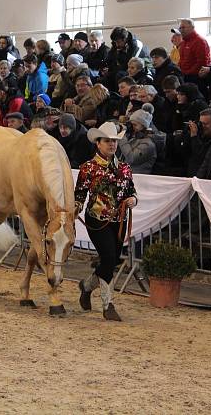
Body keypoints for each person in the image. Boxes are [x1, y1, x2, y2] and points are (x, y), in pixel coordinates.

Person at [75, 121, 137, 322]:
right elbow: (80, 194)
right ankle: (107, 304)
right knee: (109, 258)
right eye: (108, 141)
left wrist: (133, 200)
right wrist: (75, 209)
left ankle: (86, 286)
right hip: (97, 220)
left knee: (110, 261)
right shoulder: (88, 168)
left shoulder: (125, 168)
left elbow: (131, 191)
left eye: (115, 141)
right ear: (98, 143)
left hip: (119, 220)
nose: (112, 145)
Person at [118, 104, 157, 174]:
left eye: (135, 125)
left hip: (139, 179)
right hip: (127, 175)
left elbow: (131, 159)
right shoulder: (133, 137)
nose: (132, 127)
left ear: (144, 126)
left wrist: (121, 137)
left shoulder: (148, 144)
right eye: (131, 124)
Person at [186, 108, 211, 176]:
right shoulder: (200, 130)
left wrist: (194, 136)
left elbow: (200, 155)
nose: (202, 126)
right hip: (192, 170)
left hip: (205, 174)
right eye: (201, 123)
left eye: (205, 124)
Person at [177, 18, 211, 84]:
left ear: (192, 28)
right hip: (185, 76)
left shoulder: (200, 41)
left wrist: (187, 73)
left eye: (183, 27)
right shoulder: (183, 42)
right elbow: (181, 60)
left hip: (195, 78)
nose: (181, 30)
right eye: (180, 28)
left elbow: (202, 63)